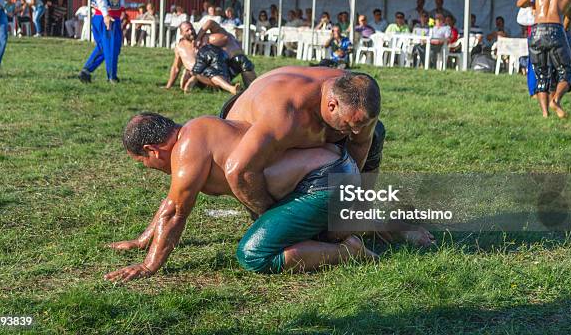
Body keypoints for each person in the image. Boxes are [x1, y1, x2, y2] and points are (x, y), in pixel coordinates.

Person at [105, 112, 381, 281]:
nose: (148, 168)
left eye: (142, 162)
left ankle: (347, 252)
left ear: (152, 150)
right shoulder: (198, 130)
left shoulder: (187, 148)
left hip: (323, 183)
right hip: (333, 173)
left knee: (254, 254)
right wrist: (144, 240)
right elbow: (173, 200)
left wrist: (149, 266)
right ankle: (376, 228)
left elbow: (176, 211)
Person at [220, 68, 392, 217]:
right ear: (332, 106)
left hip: (292, 116)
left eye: (359, 124)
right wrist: (271, 215)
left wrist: (349, 201)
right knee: (321, 162)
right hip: (243, 131)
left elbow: (359, 145)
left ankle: (359, 211)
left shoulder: (360, 92)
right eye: (349, 124)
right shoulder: (285, 116)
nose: (356, 131)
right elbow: (239, 171)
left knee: (375, 133)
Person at [517, 0, 571, 118]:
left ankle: (545, 114)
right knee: (568, 71)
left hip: (536, 31)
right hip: (556, 29)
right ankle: (556, 100)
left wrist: (535, 4)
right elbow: (568, 21)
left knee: (541, 73)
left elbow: (519, 3)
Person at [78, 0, 126, 84]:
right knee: (111, 47)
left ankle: (86, 71)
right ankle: (112, 77)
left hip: (107, 17)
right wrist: (106, 16)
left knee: (103, 47)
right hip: (107, 18)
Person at [196, 19, 257, 88]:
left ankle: (252, 87)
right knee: (241, 59)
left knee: (242, 60)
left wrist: (198, 38)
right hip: (216, 71)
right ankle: (251, 87)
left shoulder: (221, 34)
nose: (190, 32)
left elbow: (210, 22)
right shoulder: (198, 45)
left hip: (229, 65)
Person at [164, 21, 199, 92]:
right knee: (185, 79)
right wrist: (168, 86)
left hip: (209, 73)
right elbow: (176, 68)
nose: (191, 31)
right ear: (181, 33)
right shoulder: (180, 47)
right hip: (194, 73)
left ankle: (195, 78)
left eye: (191, 29)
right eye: (187, 30)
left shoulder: (203, 40)